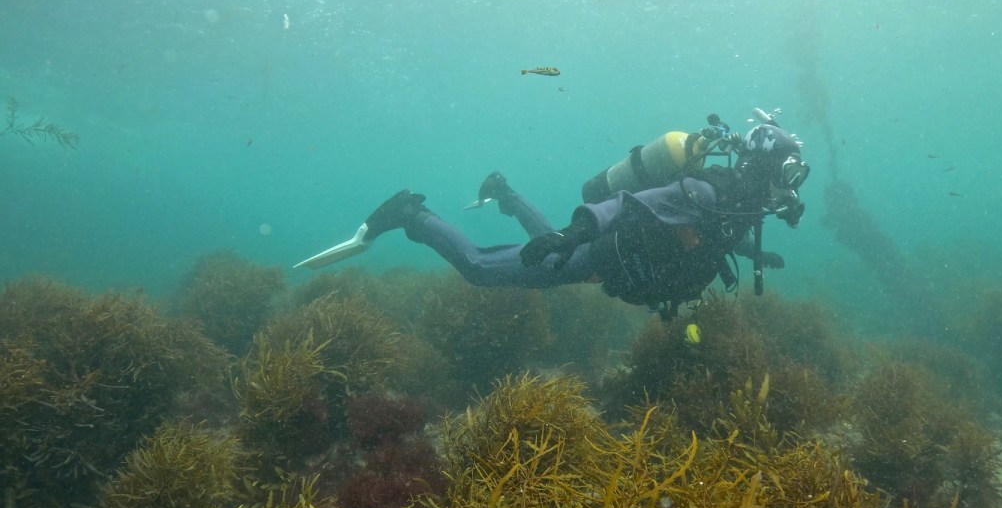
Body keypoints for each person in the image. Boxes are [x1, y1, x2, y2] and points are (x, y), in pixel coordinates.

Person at [296, 122, 809, 319]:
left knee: (547, 245)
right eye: (789, 172)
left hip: (608, 262)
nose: (791, 186)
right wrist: (574, 232)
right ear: (766, 166)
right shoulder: (705, 189)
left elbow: (705, 234)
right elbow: (620, 208)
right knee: (478, 268)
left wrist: (751, 251)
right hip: (601, 254)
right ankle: (410, 213)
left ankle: (504, 191)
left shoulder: (734, 205)